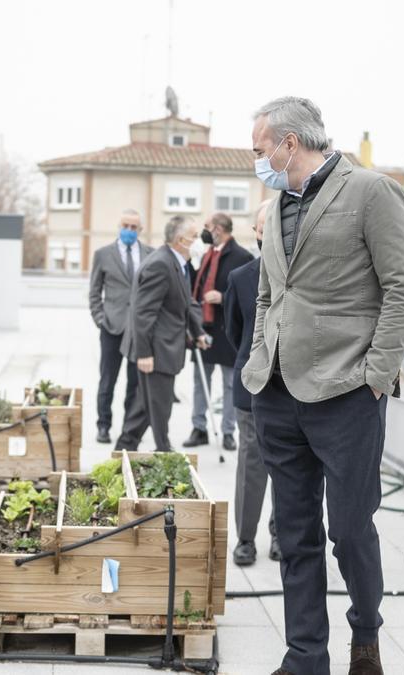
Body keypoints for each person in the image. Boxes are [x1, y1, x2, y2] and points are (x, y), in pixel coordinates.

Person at [243, 97, 404, 675]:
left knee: (349, 530)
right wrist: (257, 359)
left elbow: (403, 290)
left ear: (288, 143)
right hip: (276, 393)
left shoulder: (372, 192)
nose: (257, 161)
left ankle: (365, 636)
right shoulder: (274, 208)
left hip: (347, 394)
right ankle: (305, 658)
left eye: (258, 149)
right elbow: (273, 292)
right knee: (295, 536)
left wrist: (376, 376)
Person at [115, 215, 210, 453]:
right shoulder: (160, 263)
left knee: (145, 408)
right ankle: (163, 451)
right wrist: (144, 353)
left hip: (165, 349)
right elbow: (143, 312)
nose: (199, 241)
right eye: (194, 237)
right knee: (159, 408)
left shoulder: (177, 261)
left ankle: (123, 451)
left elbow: (185, 302)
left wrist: (198, 332)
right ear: (180, 240)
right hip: (156, 352)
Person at [224, 200, 281, 566]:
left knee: (289, 469)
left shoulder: (302, 275)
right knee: (251, 464)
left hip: (295, 388)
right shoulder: (241, 278)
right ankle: (246, 538)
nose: (267, 234)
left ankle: (282, 534)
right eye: (262, 228)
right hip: (252, 388)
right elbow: (234, 332)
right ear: (256, 233)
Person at [183, 212, 254, 451]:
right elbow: (197, 286)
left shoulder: (241, 256)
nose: (204, 231)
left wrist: (223, 297)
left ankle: (227, 432)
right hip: (203, 327)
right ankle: (199, 427)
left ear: (219, 229)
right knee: (200, 381)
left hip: (227, 330)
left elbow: (247, 294)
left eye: (207, 226)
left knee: (229, 384)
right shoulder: (206, 254)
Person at [89, 209, 154, 444]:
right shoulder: (103, 254)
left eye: (134, 227)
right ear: (119, 226)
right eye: (125, 225)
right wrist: (100, 318)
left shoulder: (150, 254)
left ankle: (129, 427)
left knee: (135, 382)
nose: (129, 230)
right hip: (112, 327)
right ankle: (103, 425)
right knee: (108, 380)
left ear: (140, 230)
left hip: (138, 330)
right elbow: (94, 292)